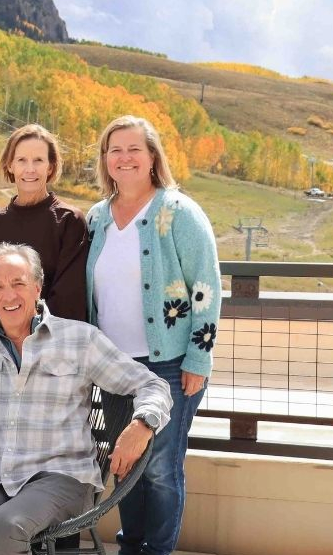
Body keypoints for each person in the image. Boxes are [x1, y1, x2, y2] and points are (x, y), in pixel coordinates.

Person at [0, 242, 173, 555]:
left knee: (4, 528)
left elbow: (152, 385)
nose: (9, 295)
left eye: (19, 283)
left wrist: (143, 424)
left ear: (37, 287)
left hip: (62, 478)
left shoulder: (79, 339)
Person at [86, 115, 221, 555]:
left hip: (167, 363)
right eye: (115, 150)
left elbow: (207, 287)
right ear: (105, 160)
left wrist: (198, 361)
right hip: (113, 367)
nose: (124, 158)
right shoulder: (97, 217)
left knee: (161, 466)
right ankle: (132, 546)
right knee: (125, 464)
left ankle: (155, 550)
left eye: (133, 150)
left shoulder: (177, 212)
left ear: (152, 157)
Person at [0, 124, 90, 321]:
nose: (30, 169)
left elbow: (68, 296)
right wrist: (1, 337)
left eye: (38, 160)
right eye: (21, 160)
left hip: (52, 338)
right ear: (10, 165)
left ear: (50, 166)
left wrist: (30, 334)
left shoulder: (69, 221)